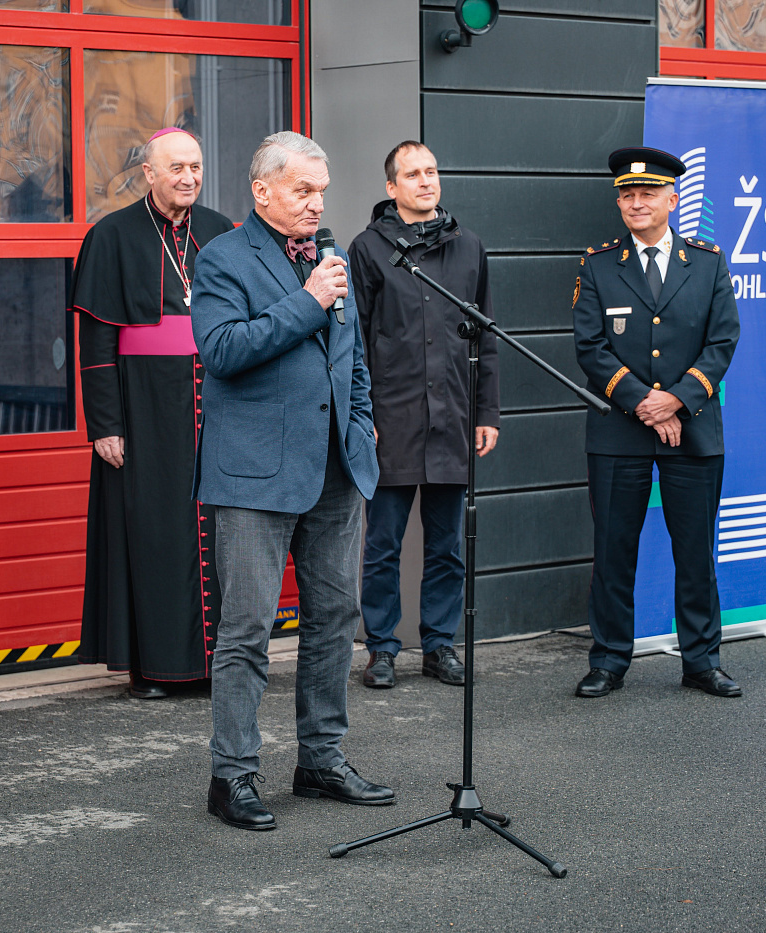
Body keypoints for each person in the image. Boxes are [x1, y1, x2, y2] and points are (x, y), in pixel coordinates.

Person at [191, 131, 393, 832]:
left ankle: (321, 760)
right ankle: (233, 774)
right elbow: (221, 350)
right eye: (302, 190)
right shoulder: (222, 257)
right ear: (262, 190)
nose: (316, 204)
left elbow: (352, 356)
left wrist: (361, 421)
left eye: (321, 192)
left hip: (336, 466)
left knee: (335, 617)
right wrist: (307, 300)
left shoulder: (330, 258)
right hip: (254, 474)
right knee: (247, 629)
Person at [571, 147, 741, 699]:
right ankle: (608, 661)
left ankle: (702, 662)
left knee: (694, 553)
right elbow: (591, 348)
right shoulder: (598, 265)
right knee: (613, 552)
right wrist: (646, 402)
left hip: (693, 428)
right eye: (627, 195)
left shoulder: (707, 262)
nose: (636, 203)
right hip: (619, 432)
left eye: (647, 194)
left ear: (672, 200)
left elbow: (723, 340)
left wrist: (677, 401)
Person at [72, 128, 235, 699]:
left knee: (219, 532)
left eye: (196, 167)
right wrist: (106, 425)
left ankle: (219, 664)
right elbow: (96, 343)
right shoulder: (112, 234)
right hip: (144, 408)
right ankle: (156, 668)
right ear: (149, 173)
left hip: (214, 403)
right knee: (153, 533)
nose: (189, 178)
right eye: (176, 168)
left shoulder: (220, 230)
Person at [349, 141, 499, 690]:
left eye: (431, 171)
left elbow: (486, 337)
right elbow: (355, 341)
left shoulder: (469, 247)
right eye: (412, 174)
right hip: (391, 421)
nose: (426, 181)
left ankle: (439, 645)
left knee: (446, 547)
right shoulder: (369, 249)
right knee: (382, 546)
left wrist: (486, 412)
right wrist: (361, 414)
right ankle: (381, 649)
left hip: (453, 419)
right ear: (392, 188)